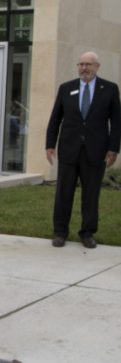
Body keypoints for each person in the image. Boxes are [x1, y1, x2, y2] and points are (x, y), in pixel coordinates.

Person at [46, 51, 120, 249]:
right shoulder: (66, 88)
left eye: (88, 64)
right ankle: (60, 232)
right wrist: (50, 144)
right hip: (70, 149)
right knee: (64, 193)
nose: (84, 68)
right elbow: (55, 119)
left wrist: (113, 149)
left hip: (96, 151)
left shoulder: (110, 89)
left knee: (91, 194)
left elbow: (116, 122)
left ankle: (87, 233)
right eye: (81, 64)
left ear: (97, 66)